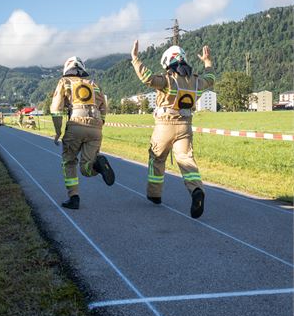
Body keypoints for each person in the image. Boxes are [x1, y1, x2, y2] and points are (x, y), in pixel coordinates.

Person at [131, 40, 215, 218]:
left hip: (164, 126)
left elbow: (147, 78)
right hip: (185, 126)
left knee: (157, 158)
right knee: (186, 160)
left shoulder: (167, 80)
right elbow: (211, 79)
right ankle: (196, 190)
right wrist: (207, 62)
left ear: (168, 62)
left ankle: (155, 194)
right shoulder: (195, 81)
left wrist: (135, 59)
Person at [50, 56, 115, 210]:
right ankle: (97, 166)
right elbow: (104, 107)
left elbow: (55, 109)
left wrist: (58, 131)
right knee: (86, 168)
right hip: (96, 126)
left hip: (76, 125)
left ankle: (74, 198)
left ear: (67, 69)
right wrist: (100, 124)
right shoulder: (93, 84)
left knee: (69, 161)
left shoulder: (64, 82)